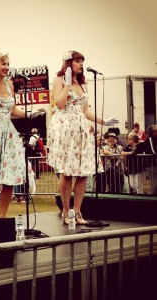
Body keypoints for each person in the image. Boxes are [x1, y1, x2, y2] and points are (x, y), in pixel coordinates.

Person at [47, 50, 119, 225]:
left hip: (81, 129)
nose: (81, 64)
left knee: (83, 172)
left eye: (82, 61)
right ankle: (66, 211)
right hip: (65, 128)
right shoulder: (58, 80)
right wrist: (66, 84)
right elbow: (60, 104)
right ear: (68, 63)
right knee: (66, 172)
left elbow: (85, 111)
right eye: (77, 61)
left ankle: (77, 212)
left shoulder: (83, 84)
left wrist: (104, 121)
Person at [0, 52, 45, 218]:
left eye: (8, 63)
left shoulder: (9, 84)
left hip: (8, 132)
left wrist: (29, 114)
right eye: (3, 64)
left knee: (9, 176)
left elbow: (13, 110)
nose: (6, 67)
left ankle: (2, 216)